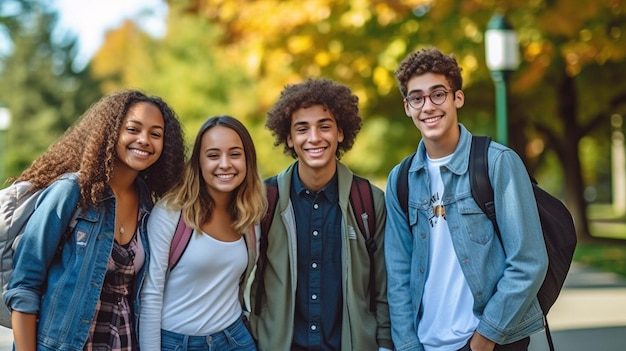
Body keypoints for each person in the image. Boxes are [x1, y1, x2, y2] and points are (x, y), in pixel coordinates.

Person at [384, 47, 549, 351]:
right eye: (417, 98)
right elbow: (397, 276)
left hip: (487, 342)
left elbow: (529, 262)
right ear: (407, 107)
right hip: (424, 344)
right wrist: (407, 345)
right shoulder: (401, 179)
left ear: (457, 98)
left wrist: (485, 338)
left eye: (438, 94)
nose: (428, 106)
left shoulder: (497, 163)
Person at [3, 89, 186, 351]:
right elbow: (24, 286)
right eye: (133, 129)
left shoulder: (150, 206)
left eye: (155, 134)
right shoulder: (72, 192)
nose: (144, 140)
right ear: (111, 132)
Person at [248, 78, 393, 351]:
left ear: (340, 133)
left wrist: (384, 343)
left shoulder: (369, 202)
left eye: (324, 126)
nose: (314, 138)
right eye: (302, 129)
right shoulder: (264, 200)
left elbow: (384, 286)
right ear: (289, 138)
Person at [139, 115, 266, 351]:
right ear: (198, 162)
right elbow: (150, 296)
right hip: (177, 343)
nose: (225, 164)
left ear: (248, 160)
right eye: (213, 155)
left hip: (234, 338)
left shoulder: (249, 216)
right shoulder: (171, 213)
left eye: (235, 154)